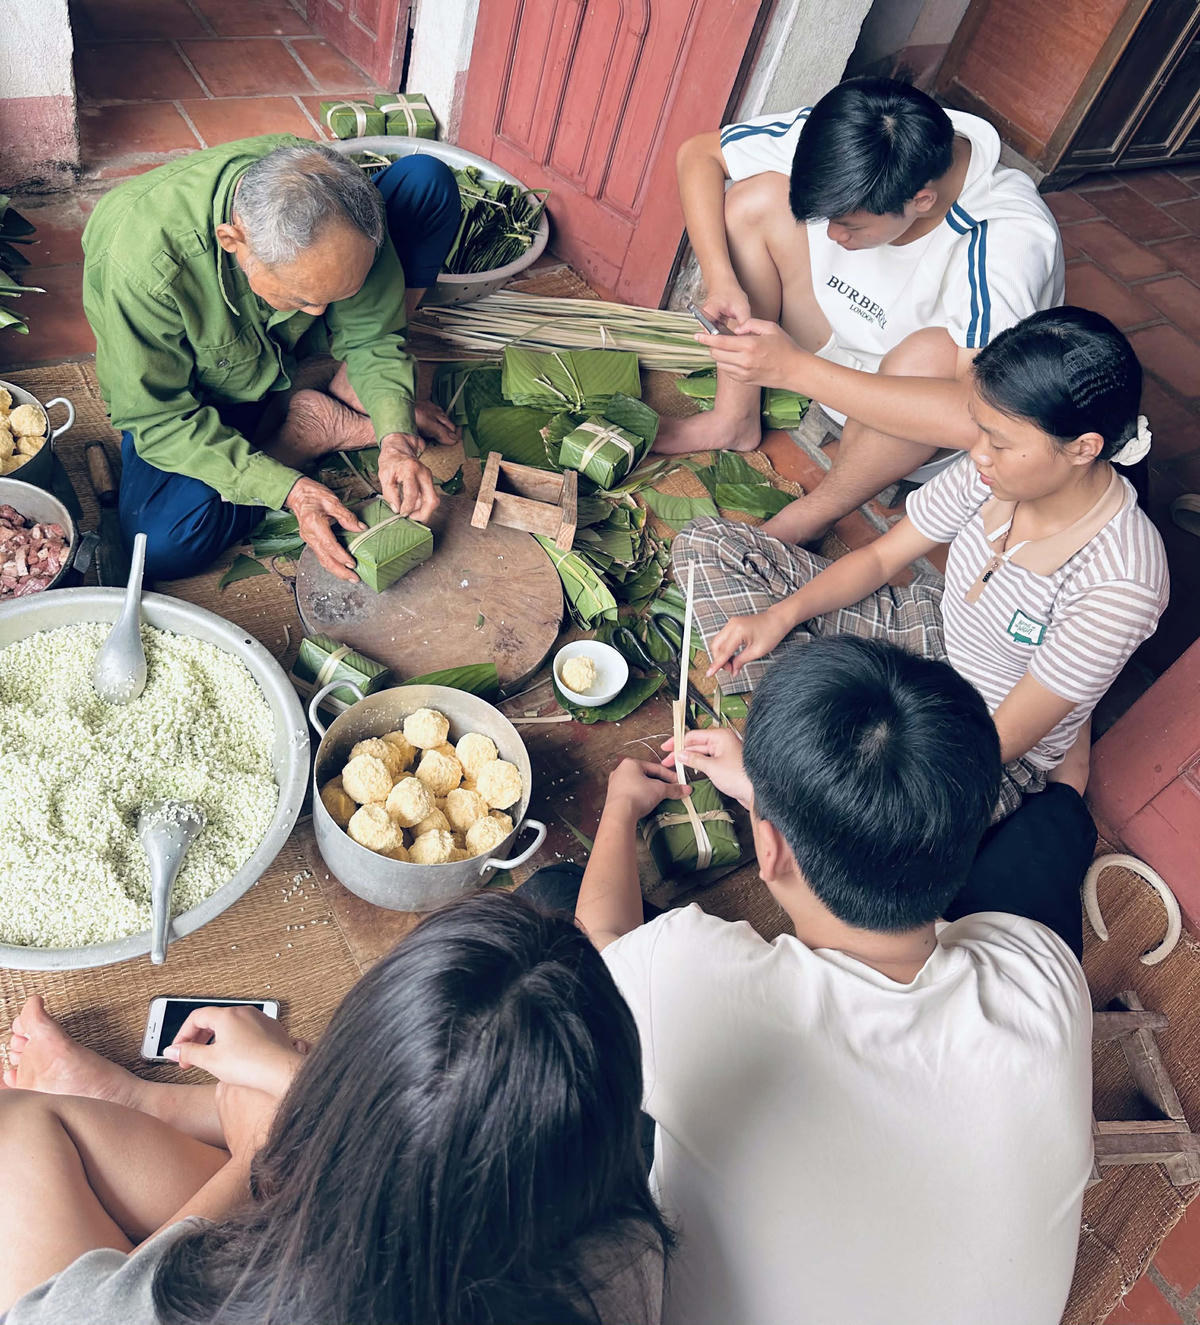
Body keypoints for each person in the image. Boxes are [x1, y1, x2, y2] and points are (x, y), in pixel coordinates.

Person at [556, 636, 1095, 1325]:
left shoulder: (688, 980)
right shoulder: (1046, 983)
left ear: (770, 847)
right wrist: (788, 802)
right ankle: (1063, 799)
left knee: (556, 896)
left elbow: (598, 934)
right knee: (1046, 841)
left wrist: (620, 808)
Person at [0, 892, 669, 1324]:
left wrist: (258, 1149)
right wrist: (286, 1086)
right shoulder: (622, 1251)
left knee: (16, 1129)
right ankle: (141, 1100)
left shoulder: (296, 1297)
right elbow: (432, 1143)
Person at [675, 306, 1168, 818]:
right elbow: (882, 558)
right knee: (709, 546)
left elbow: (1001, 740)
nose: (978, 453)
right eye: (979, 429)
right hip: (923, 632)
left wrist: (881, 742)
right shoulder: (989, 472)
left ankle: (780, 788)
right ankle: (797, 783)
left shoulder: (1121, 580)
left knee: (895, 822)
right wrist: (778, 618)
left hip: (975, 732)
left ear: (1083, 448)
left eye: (999, 442)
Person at [659, 76, 1063, 547]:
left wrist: (795, 370)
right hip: (834, 342)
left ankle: (816, 511)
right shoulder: (859, 134)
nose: (831, 236)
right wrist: (723, 277)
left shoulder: (1006, 239)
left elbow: (981, 415)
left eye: (849, 225)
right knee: (754, 201)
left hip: (905, 413)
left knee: (931, 356)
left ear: (922, 200)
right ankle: (733, 418)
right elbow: (698, 155)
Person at [82, 136, 463, 583]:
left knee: (425, 181)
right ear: (233, 241)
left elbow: (373, 335)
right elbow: (159, 420)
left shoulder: (336, 194)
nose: (321, 314)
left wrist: (394, 438)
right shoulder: (140, 267)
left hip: (287, 342)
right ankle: (309, 433)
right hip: (205, 397)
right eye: (300, 298)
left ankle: (336, 382)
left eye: (337, 297)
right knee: (164, 544)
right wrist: (290, 490)